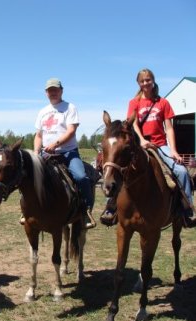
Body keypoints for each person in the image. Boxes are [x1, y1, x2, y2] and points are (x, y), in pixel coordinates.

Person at [100, 68, 196, 228]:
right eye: (142, 81)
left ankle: (188, 210)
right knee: (118, 171)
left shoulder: (163, 102)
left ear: (153, 81)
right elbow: (133, 124)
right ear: (138, 83)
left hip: (160, 145)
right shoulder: (134, 102)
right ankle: (110, 207)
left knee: (181, 171)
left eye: (148, 80)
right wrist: (142, 141)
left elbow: (169, 128)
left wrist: (173, 150)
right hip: (139, 144)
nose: (146, 83)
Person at [33, 78, 96, 229]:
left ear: (61, 91)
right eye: (50, 90)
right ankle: (28, 210)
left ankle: (86, 211)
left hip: (68, 152)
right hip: (46, 154)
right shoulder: (42, 112)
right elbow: (38, 135)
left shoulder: (70, 107)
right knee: (29, 176)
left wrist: (55, 144)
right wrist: (36, 152)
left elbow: (71, 131)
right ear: (46, 93)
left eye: (55, 90)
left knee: (81, 177)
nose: (53, 93)